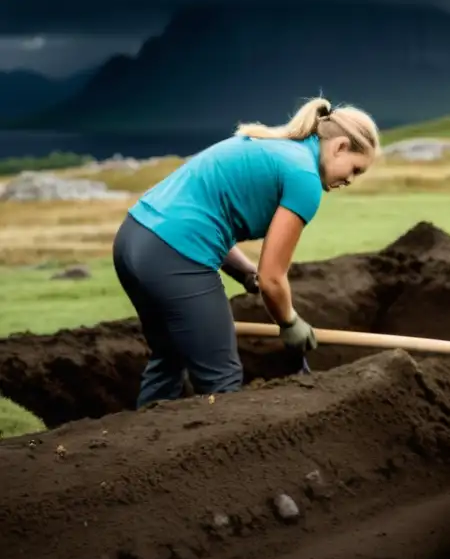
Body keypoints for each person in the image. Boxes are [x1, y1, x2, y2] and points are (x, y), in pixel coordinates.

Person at [112, 97, 380, 408]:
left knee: (168, 360)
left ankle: (148, 449)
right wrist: (290, 322)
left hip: (133, 241)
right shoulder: (304, 177)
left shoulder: (268, 145)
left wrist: (243, 272)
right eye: (355, 169)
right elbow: (272, 278)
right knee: (221, 381)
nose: (349, 180)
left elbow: (204, 217)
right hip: (174, 255)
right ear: (340, 146)